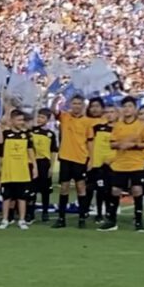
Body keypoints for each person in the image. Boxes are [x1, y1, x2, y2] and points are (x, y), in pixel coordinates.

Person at [98, 97, 144, 233]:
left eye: (130, 106)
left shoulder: (141, 125)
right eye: (125, 106)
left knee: (137, 190)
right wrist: (120, 144)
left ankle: (138, 221)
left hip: (136, 163)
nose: (127, 109)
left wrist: (133, 145)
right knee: (115, 191)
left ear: (135, 108)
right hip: (120, 164)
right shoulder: (118, 126)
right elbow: (112, 143)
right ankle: (112, 221)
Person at [52, 95, 93, 229]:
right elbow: (54, 112)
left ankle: (82, 218)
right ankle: (61, 218)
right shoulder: (65, 117)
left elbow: (90, 142)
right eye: (74, 103)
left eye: (79, 104)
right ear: (70, 105)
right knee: (64, 188)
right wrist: (55, 101)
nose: (76, 106)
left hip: (80, 158)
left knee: (81, 188)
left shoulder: (87, 122)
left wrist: (91, 159)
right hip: (65, 157)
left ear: (83, 106)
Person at [0, 110, 36, 230]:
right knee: (6, 197)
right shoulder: (5, 134)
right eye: (18, 120)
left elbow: (30, 153)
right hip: (8, 171)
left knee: (22, 197)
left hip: (22, 171)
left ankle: (22, 220)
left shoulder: (26, 135)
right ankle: (5, 219)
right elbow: (0, 153)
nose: (21, 122)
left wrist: (34, 167)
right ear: (12, 121)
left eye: (22, 120)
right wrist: (0, 167)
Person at [87, 104, 117, 223]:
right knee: (99, 189)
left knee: (110, 190)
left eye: (112, 111)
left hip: (112, 164)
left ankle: (110, 212)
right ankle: (99, 213)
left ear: (116, 114)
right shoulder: (97, 128)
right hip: (98, 164)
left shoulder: (119, 129)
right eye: (107, 112)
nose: (110, 114)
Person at [29, 108, 58, 223]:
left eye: (43, 117)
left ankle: (45, 212)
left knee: (45, 190)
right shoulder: (30, 131)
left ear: (48, 119)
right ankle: (30, 212)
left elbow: (53, 151)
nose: (40, 119)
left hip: (44, 163)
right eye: (38, 117)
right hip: (33, 162)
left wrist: (51, 166)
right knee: (32, 189)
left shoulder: (50, 134)